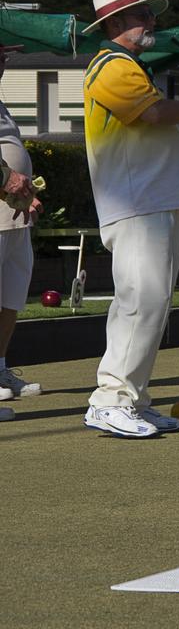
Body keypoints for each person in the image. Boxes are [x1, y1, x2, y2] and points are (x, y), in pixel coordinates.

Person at [80, 0, 179, 437]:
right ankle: (110, 399)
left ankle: (133, 399)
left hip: (155, 200)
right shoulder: (112, 65)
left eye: (148, 13)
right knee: (140, 299)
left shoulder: (132, 69)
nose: (151, 21)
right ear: (114, 24)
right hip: (136, 202)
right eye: (140, 15)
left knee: (153, 303)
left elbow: (150, 128)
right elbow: (151, 115)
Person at [0, 43, 44, 422]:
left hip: (14, 215)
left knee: (12, 295)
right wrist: (8, 178)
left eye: (4, 54)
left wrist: (27, 197)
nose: (2, 60)